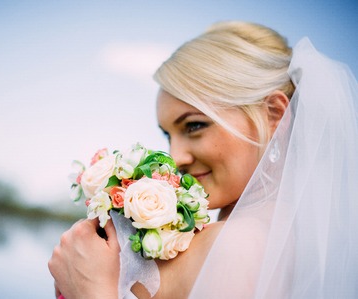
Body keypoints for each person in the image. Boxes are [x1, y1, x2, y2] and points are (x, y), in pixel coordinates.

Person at [48, 21, 358, 298]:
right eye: (169, 134)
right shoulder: (308, 245)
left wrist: (91, 290)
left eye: (194, 125)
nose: (176, 157)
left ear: (274, 114)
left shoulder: (239, 244)